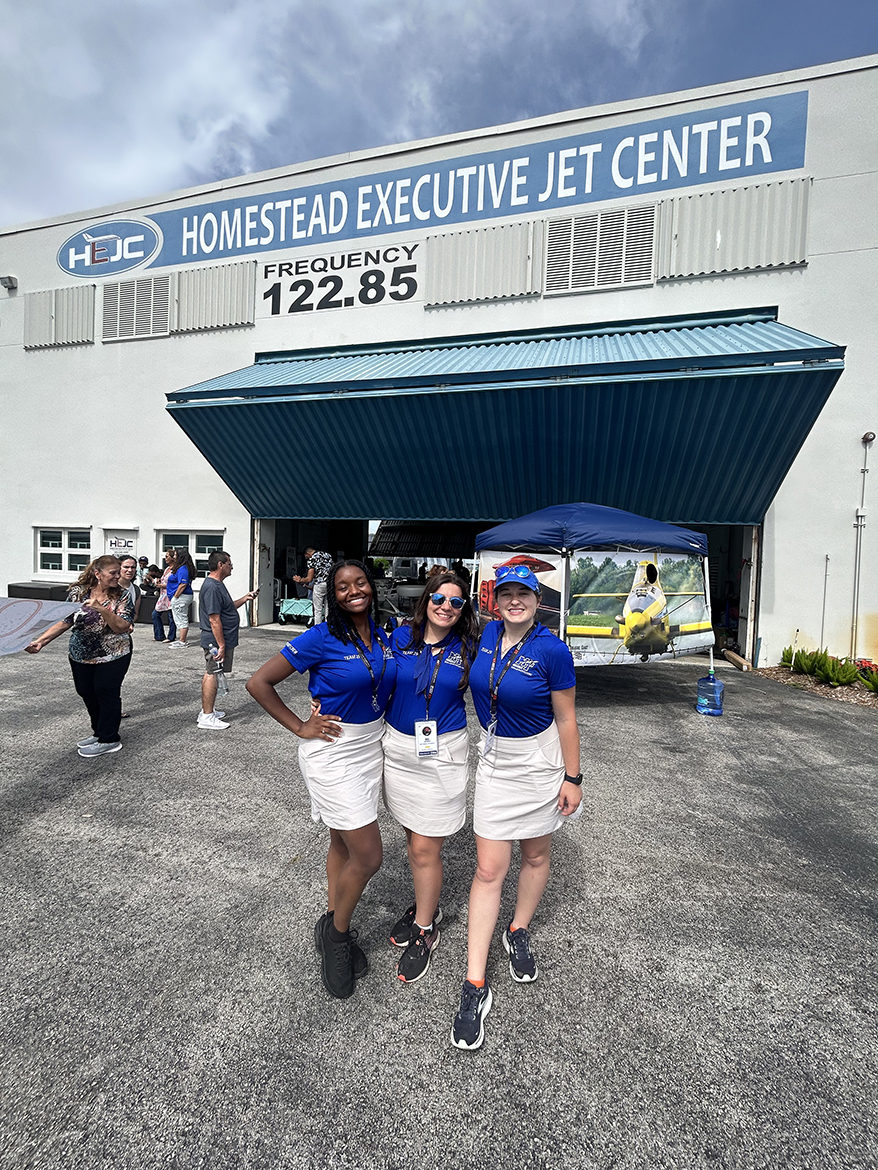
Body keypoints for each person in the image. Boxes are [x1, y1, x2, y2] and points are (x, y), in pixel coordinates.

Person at [246, 559, 396, 1000]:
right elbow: (259, 682)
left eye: (361, 582)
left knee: (341, 842)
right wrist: (299, 725)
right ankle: (336, 935)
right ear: (333, 595)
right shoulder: (321, 636)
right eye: (343, 586)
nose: (354, 591)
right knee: (368, 856)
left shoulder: (384, 634)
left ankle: (333, 916)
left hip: (371, 748)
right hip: (332, 751)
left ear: (372, 585)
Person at [450, 564, 582, 1051]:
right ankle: (475, 985)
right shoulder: (485, 634)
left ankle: (518, 929)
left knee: (536, 855)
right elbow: (433, 630)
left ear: (536, 597)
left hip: (540, 764)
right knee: (488, 869)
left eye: (522, 593)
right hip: (495, 761)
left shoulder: (553, 649)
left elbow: (567, 718)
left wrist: (573, 777)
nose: (514, 601)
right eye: (505, 593)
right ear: (495, 599)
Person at [384, 572, 479, 983]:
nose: (446, 606)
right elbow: (372, 679)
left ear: (463, 610)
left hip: (443, 754)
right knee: (413, 837)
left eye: (456, 602)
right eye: (439, 598)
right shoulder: (400, 639)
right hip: (399, 750)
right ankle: (429, 905)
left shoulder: (473, 646)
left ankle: (426, 928)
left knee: (425, 847)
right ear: (426, 600)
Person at [24, 555, 134, 757]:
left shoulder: (123, 596)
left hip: (114, 653)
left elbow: (122, 627)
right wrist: (41, 641)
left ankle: (110, 739)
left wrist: (101, 609)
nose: (118, 576)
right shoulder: (78, 593)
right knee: (86, 691)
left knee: (105, 690)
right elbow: (66, 621)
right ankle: (99, 731)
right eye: (113, 573)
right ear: (97, 574)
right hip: (81, 654)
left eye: (119, 572)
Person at [197, 550, 257, 730]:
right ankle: (207, 716)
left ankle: (209, 710)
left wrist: (245, 598)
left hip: (221, 639)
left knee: (214, 672)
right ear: (220, 565)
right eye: (229, 563)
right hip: (215, 641)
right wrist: (221, 645)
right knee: (212, 672)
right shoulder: (213, 587)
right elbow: (214, 619)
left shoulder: (218, 585)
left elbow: (227, 608)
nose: (232, 567)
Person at [292, 546, 334, 625]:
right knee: (328, 608)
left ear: (307, 554)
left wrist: (300, 580)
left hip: (319, 584)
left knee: (318, 609)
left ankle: (318, 628)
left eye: (306, 557)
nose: (306, 558)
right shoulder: (327, 555)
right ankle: (329, 627)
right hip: (330, 583)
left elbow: (309, 579)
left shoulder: (312, 559)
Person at [167, 547, 195, 648]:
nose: (174, 556)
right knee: (179, 618)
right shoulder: (182, 567)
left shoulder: (183, 568)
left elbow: (183, 584)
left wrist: (175, 596)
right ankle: (181, 640)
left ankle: (182, 641)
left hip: (181, 597)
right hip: (182, 596)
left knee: (181, 618)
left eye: (175, 555)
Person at [152, 549, 177, 643]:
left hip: (170, 594)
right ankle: (159, 635)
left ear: (172, 558)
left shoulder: (175, 570)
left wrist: (163, 585)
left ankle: (171, 636)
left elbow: (175, 584)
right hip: (163, 595)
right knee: (155, 614)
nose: (165, 558)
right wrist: (159, 582)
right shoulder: (167, 569)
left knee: (171, 616)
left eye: (167, 556)